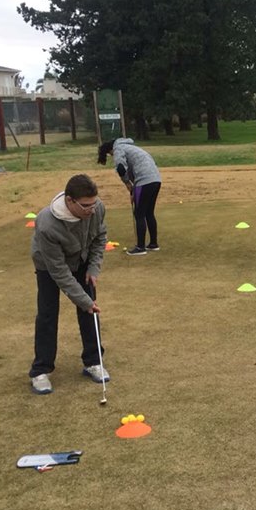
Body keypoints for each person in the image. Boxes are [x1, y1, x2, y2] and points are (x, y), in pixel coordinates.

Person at [29, 174, 109, 394]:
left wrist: (93, 268)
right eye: (85, 206)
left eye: (94, 204)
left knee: (90, 311)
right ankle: (40, 370)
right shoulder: (47, 224)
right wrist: (83, 300)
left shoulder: (96, 207)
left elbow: (100, 236)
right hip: (49, 265)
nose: (91, 210)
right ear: (70, 200)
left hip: (81, 259)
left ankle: (93, 361)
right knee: (47, 312)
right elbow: (59, 272)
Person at [98, 138, 162, 256]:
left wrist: (127, 183)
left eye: (110, 154)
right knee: (148, 212)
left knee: (139, 213)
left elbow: (121, 168)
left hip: (144, 181)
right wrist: (134, 190)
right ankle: (153, 244)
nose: (112, 155)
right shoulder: (132, 148)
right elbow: (134, 169)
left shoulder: (118, 149)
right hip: (156, 180)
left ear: (110, 149)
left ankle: (140, 247)